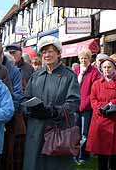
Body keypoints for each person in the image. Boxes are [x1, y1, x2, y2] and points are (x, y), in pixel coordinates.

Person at [22, 36, 80, 170]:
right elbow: (25, 99)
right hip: (36, 129)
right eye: (44, 52)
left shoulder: (69, 75)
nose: (47, 55)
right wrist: (30, 110)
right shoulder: (36, 76)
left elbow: (73, 102)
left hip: (57, 129)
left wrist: (54, 111)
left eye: (50, 51)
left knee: (55, 165)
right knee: (34, 164)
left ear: (59, 53)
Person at [86, 57, 116, 170]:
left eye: (109, 67)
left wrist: (111, 104)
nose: (107, 69)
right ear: (101, 69)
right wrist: (101, 108)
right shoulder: (96, 84)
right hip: (101, 120)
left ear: (115, 68)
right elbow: (93, 100)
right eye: (104, 67)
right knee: (102, 155)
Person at [74, 48, 101, 163]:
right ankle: (74, 156)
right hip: (75, 106)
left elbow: (95, 90)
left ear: (90, 59)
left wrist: (88, 103)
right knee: (74, 132)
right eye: (81, 58)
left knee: (84, 133)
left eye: (86, 58)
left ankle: (83, 156)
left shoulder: (94, 72)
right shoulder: (76, 70)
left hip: (87, 108)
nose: (83, 60)